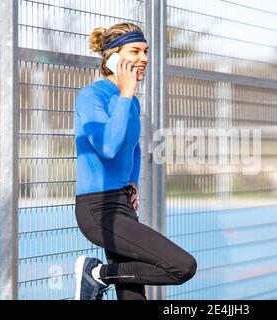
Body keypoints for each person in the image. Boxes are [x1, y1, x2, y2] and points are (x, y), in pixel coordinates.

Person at [73, 22, 197, 300]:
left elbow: (133, 148)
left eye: (146, 51)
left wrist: (131, 183)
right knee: (182, 266)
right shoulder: (91, 96)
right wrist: (126, 94)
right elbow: (107, 145)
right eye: (135, 51)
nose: (144, 58)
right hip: (98, 209)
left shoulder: (131, 102)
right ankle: (97, 274)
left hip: (122, 204)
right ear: (113, 57)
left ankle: (99, 276)